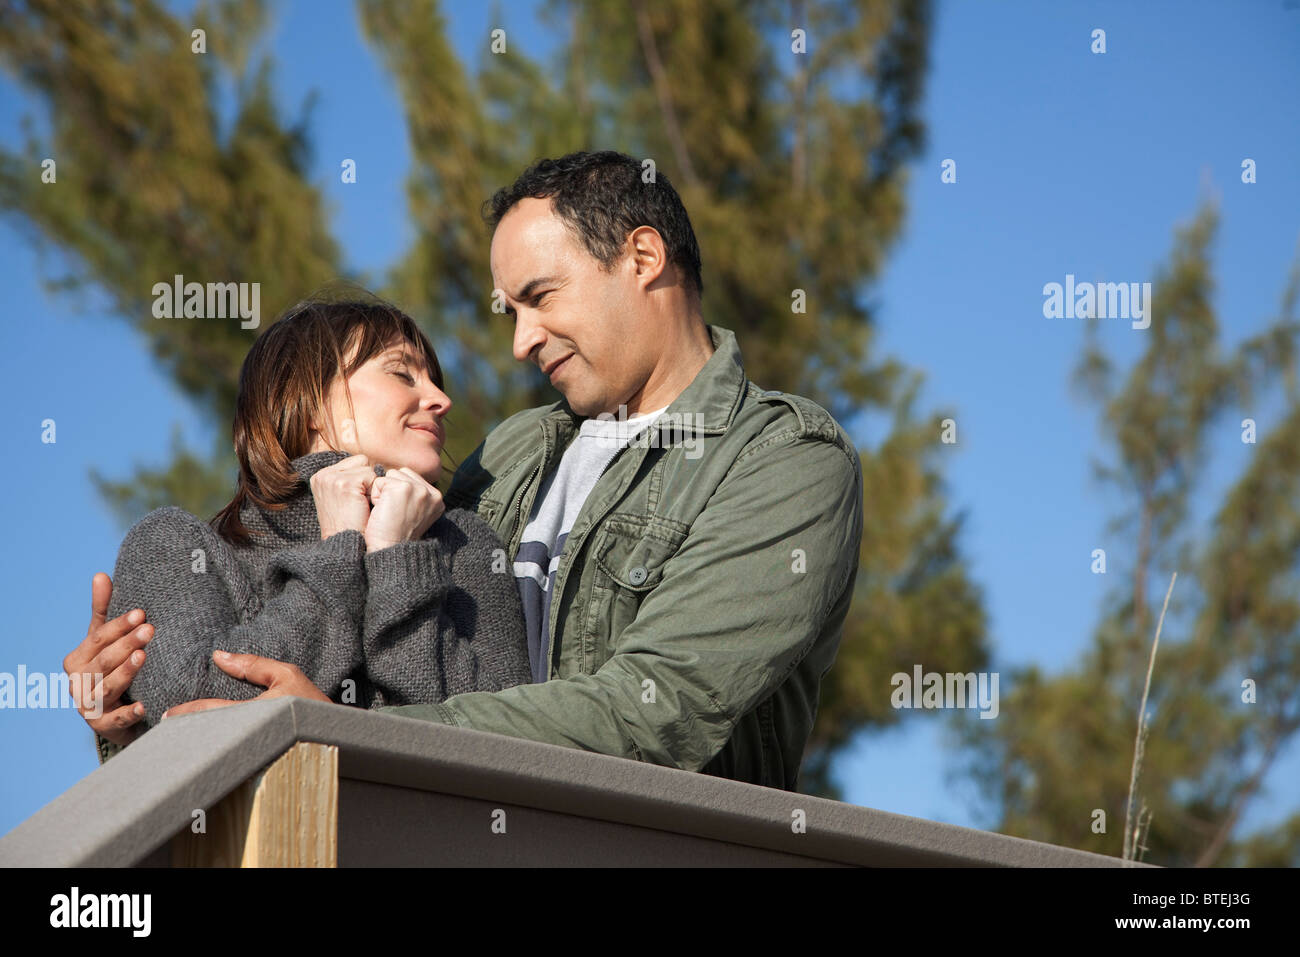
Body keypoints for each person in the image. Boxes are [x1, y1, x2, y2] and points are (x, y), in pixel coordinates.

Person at [68, 150, 863, 792]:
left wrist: (353, 740)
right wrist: (133, 711)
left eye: (540, 296)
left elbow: (654, 710)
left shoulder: (784, 460)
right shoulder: (513, 451)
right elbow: (394, 612)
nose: (520, 341)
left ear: (644, 257)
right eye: (509, 310)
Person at [80, 298, 531, 762]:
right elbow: (185, 712)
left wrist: (397, 559)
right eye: (402, 373)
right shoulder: (174, 545)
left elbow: (503, 750)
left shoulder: (467, 545)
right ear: (308, 400)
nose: (441, 399)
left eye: (435, 379)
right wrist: (339, 555)